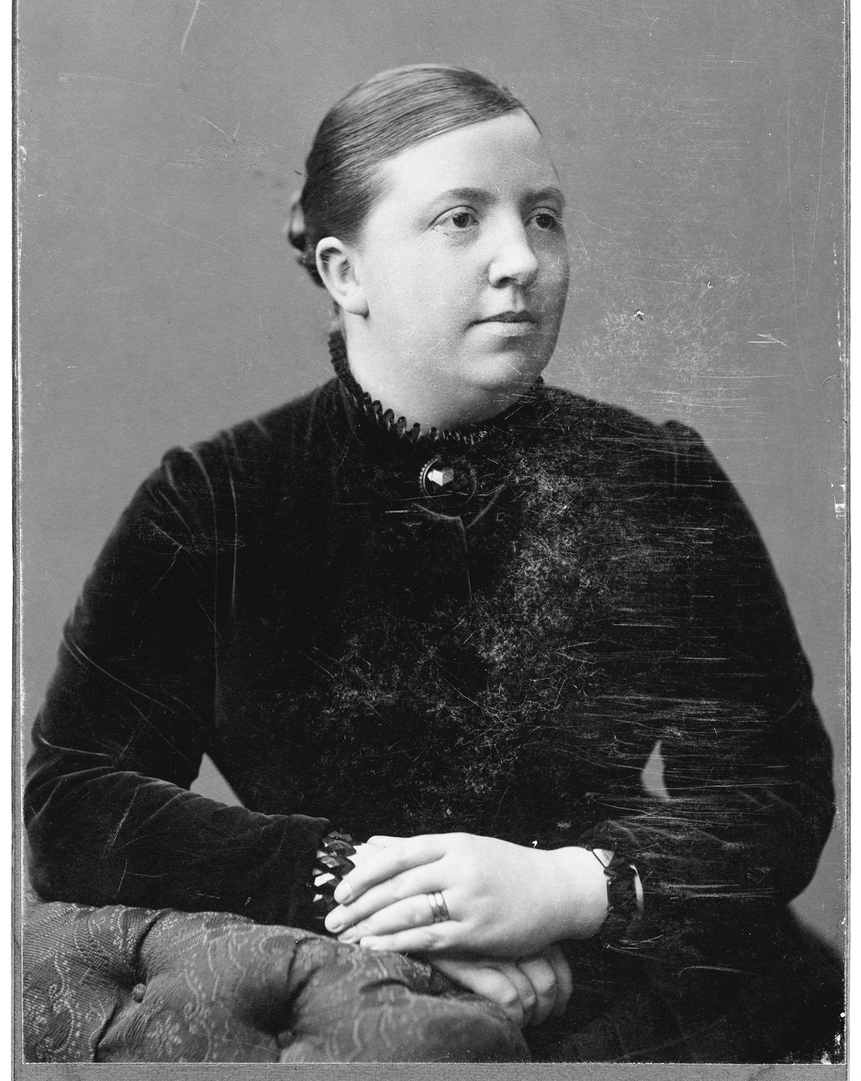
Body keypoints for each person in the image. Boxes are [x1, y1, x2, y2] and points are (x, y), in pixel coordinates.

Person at [25, 64, 840, 1061]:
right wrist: (371, 896)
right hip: (375, 1007)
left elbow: (779, 792)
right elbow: (76, 802)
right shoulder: (218, 499)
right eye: (461, 219)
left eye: (543, 218)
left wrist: (565, 887)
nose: (522, 260)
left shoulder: (655, 477)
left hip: (687, 1010)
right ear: (345, 273)